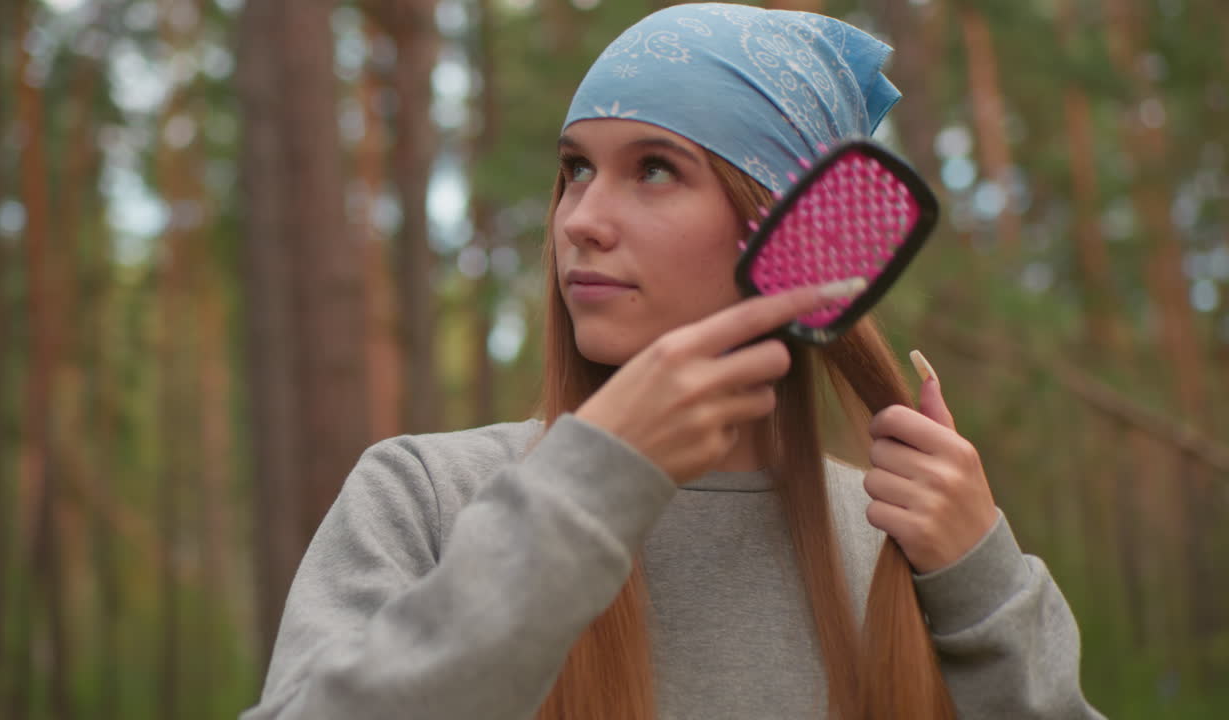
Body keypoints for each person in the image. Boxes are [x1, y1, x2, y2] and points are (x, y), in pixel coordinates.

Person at [242, 4, 1104, 719]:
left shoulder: (893, 536)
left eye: (654, 170)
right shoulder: (424, 496)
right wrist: (586, 491)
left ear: (786, 231)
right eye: (575, 170)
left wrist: (982, 586)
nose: (580, 219)